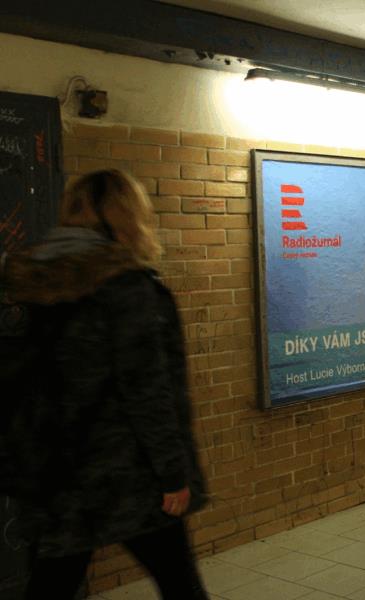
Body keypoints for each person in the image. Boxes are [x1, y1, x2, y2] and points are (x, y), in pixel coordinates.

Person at [0, 169, 208, 599]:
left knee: (51, 586)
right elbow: (147, 390)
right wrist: (172, 474)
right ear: (130, 215)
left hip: (55, 475)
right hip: (128, 475)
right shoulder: (127, 287)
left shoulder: (33, 284)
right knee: (181, 586)